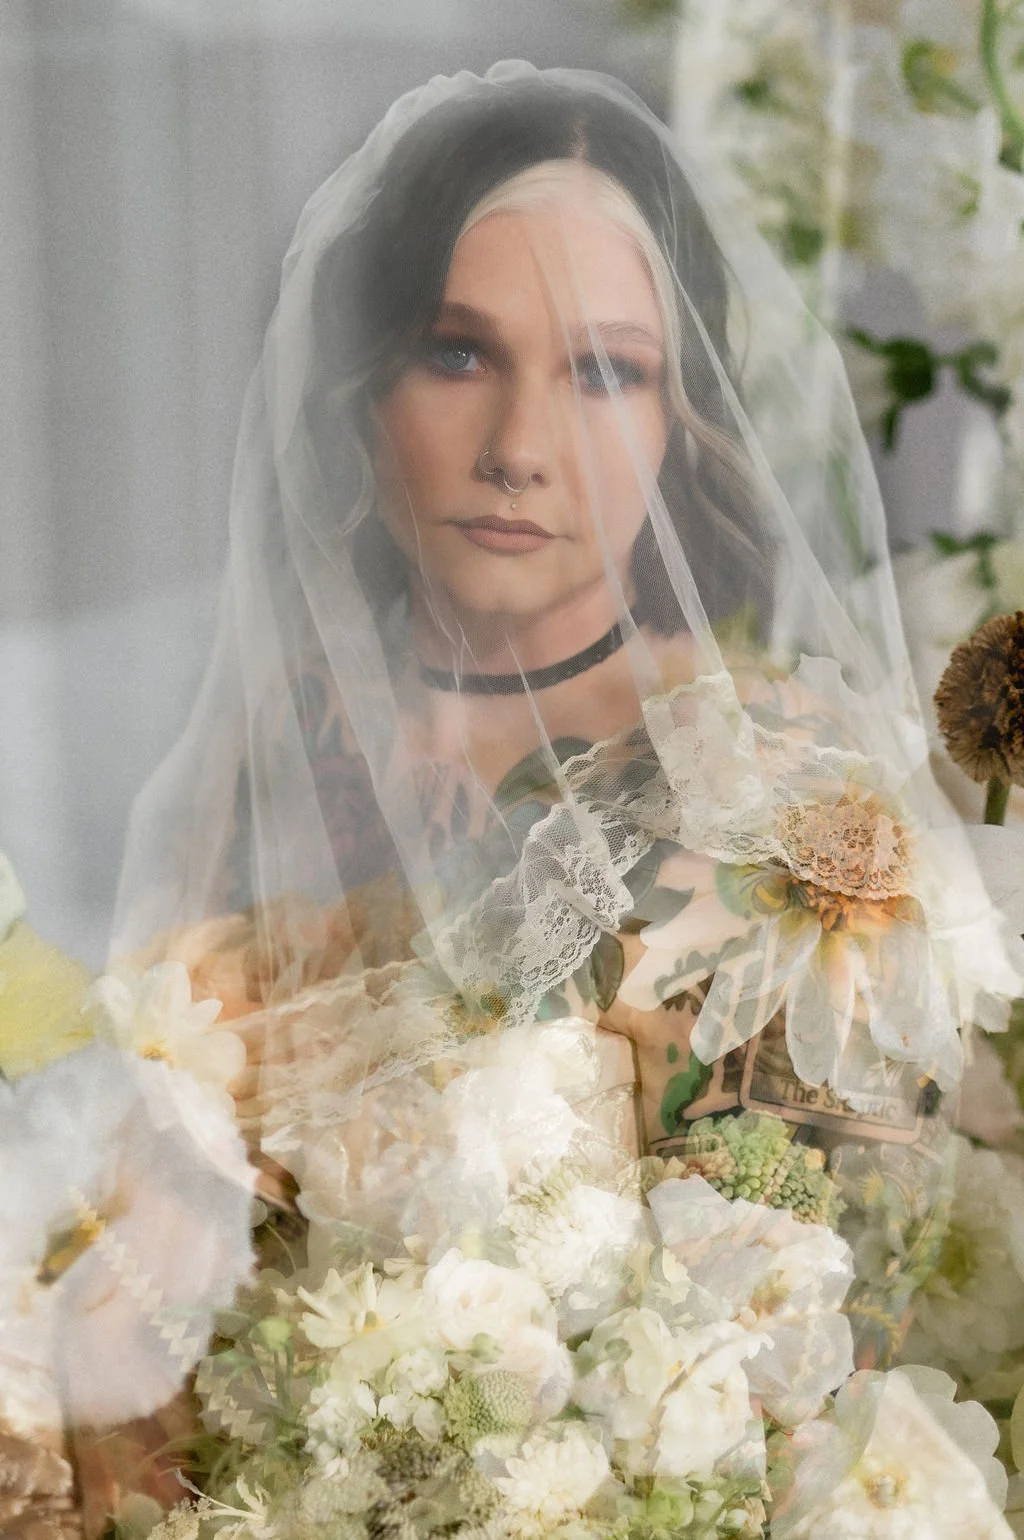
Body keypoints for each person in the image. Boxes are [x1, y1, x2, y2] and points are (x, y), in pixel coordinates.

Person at [71, 61, 1024, 1532]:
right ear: (362, 383)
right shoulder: (262, 754)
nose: (521, 445)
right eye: (459, 352)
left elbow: (818, 1344)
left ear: (677, 414)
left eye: (601, 370)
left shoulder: (793, 810)